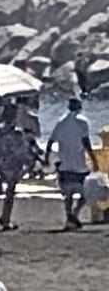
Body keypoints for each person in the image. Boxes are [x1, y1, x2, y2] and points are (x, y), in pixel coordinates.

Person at [49, 97, 93, 230]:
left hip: (64, 163)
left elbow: (51, 141)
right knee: (86, 193)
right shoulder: (83, 122)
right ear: (79, 107)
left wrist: (46, 158)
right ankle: (75, 214)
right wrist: (94, 159)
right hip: (79, 163)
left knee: (67, 195)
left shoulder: (60, 122)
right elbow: (86, 142)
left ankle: (70, 218)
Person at [0, 110, 34, 231]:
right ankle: (6, 219)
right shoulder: (17, 134)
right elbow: (23, 151)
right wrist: (28, 163)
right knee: (10, 192)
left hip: (2, 164)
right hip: (13, 164)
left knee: (9, 191)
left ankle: (5, 216)